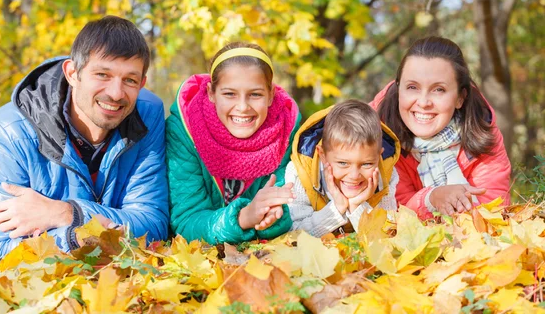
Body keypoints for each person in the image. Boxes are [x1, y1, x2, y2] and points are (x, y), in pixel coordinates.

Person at [0, 16, 169, 258]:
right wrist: (76, 236)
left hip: (111, 280)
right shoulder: (8, 131)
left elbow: (153, 226)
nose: (116, 93)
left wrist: (68, 214)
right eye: (102, 74)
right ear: (72, 73)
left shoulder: (148, 113)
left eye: (130, 80)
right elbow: (1, 249)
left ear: (142, 83)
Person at [166, 42, 300, 244]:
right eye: (229, 94)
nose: (243, 107)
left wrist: (272, 218)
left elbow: (291, 211)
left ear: (271, 95)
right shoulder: (185, 131)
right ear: (211, 93)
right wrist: (243, 218)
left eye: (255, 94)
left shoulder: (286, 132)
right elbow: (186, 220)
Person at [370, 36, 511, 219]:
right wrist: (431, 199)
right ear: (399, 90)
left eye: (439, 90)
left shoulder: (481, 130)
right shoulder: (376, 133)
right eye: (412, 87)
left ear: (460, 97)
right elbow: (387, 213)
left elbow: (493, 209)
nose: (423, 102)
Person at [286, 100, 400, 237]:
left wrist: (356, 206)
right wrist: (337, 208)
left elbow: (388, 236)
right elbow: (294, 232)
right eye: (343, 163)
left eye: (366, 164)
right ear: (323, 155)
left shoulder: (386, 173)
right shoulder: (301, 173)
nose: (354, 175)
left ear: (378, 156)